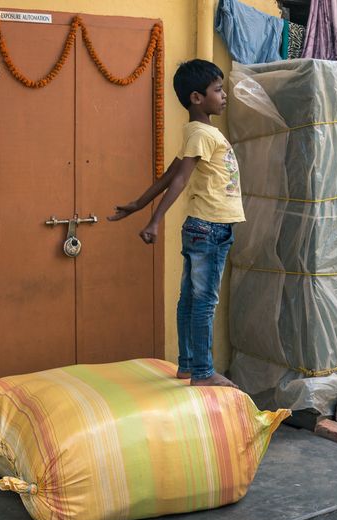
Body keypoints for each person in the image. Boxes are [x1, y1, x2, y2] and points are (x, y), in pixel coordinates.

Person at [108, 59, 244, 388]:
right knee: (204, 302)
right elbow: (181, 180)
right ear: (197, 98)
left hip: (202, 227)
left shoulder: (197, 132)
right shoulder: (200, 133)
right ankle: (202, 372)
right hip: (211, 227)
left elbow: (169, 174)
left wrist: (139, 204)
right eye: (217, 90)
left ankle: (187, 365)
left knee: (189, 299)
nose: (223, 95)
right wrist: (154, 220)